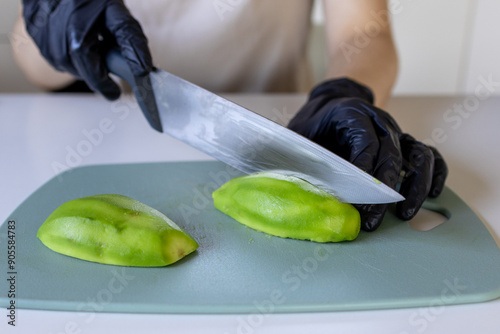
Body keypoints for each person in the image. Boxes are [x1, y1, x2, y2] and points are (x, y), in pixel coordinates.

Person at [12, 0, 448, 231]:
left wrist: (343, 90)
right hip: (105, 128)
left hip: (288, 117)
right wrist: (51, 18)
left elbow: (364, 33)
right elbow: (30, 58)